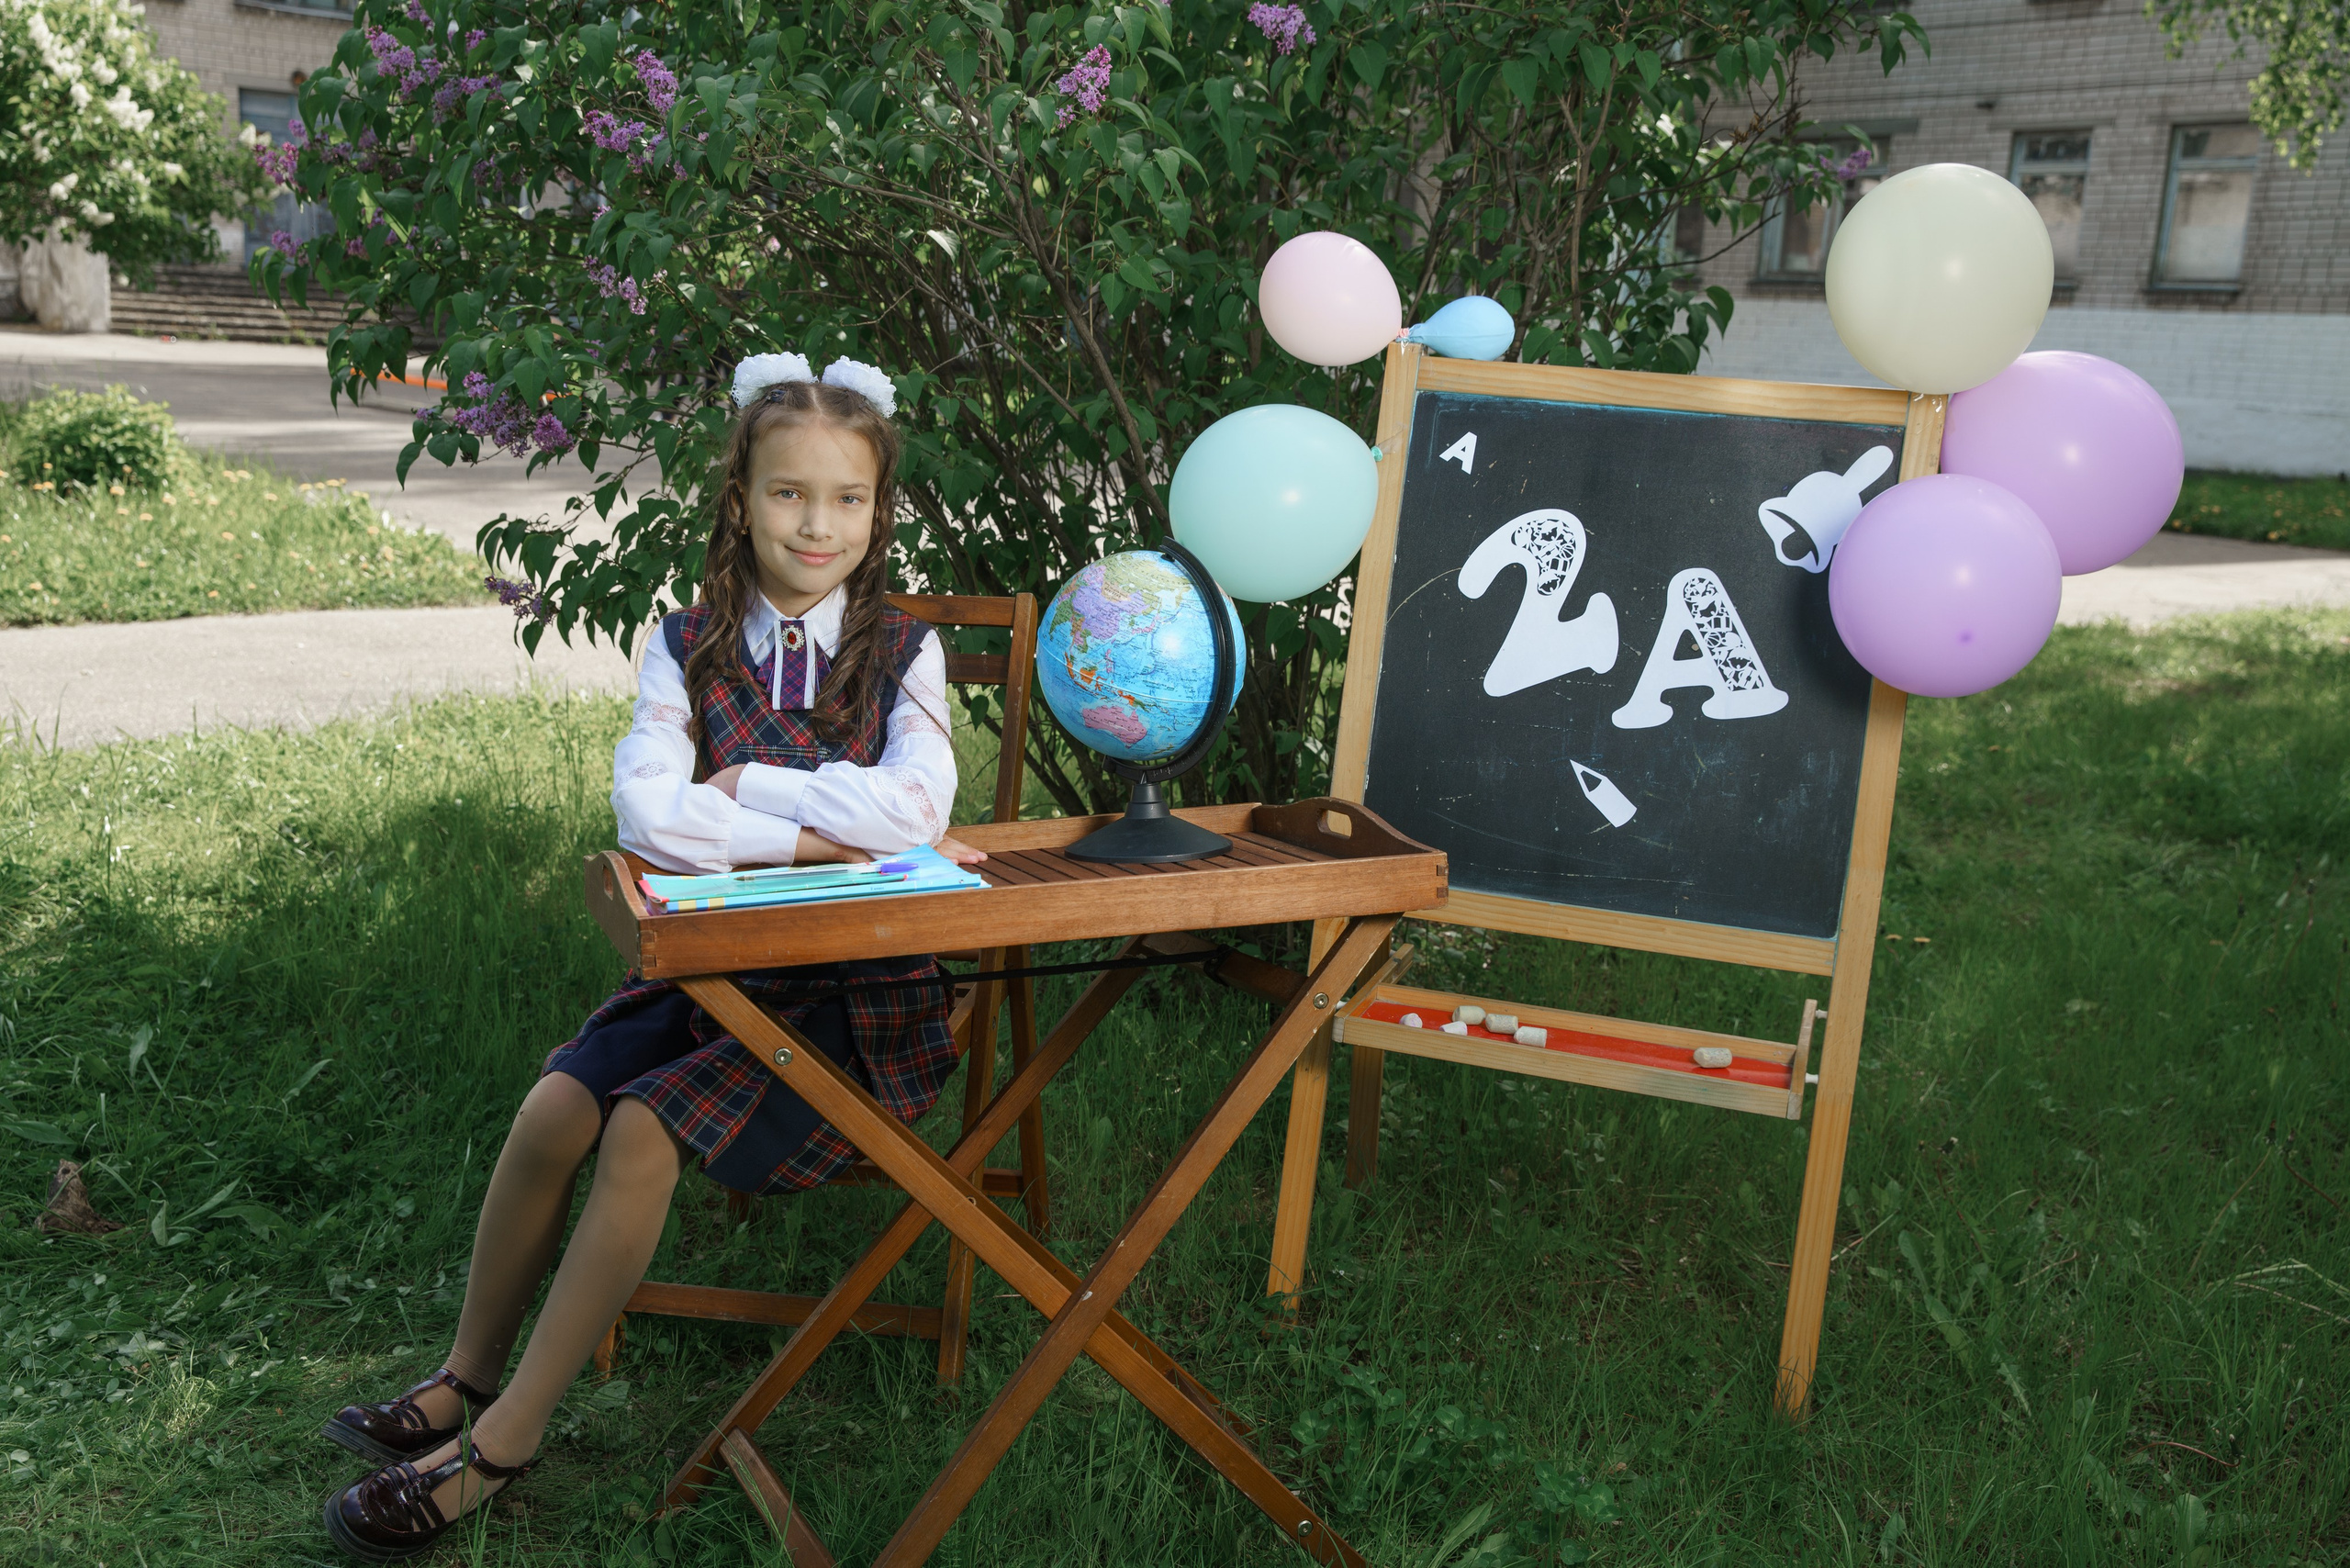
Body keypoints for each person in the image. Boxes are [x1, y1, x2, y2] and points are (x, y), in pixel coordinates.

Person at [317, 354, 983, 1560]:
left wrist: (746, 789)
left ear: (879, 513)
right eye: (789, 495)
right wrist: (812, 824)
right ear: (740, 500)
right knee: (556, 1108)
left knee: (638, 1129)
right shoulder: (685, 642)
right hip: (699, 975)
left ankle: (504, 1442)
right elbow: (647, 818)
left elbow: (919, 815)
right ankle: (465, 1376)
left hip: (851, 1001)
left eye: (847, 499)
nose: (817, 524)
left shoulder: (906, 653)